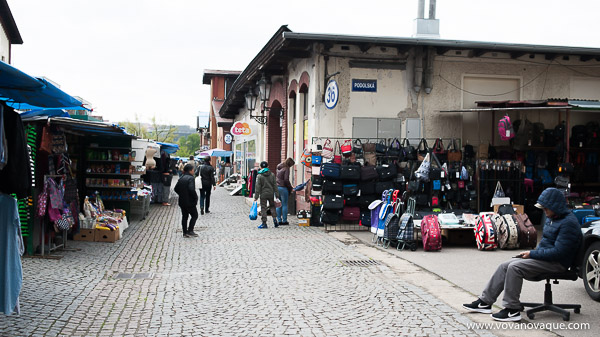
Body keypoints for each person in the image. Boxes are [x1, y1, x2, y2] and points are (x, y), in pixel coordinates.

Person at [463, 188, 582, 322]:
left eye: (546, 208)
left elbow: (559, 252)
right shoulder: (553, 217)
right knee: (505, 265)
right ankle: (485, 302)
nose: (544, 211)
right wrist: (533, 254)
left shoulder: (568, 224)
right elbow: (547, 245)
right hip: (547, 258)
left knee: (515, 267)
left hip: (557, 263)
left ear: (555, 206)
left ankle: (512, 310)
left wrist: (532, 254)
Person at [173, 164, 198, 238]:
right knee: (194, 215)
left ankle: (185, 232)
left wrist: (182, 194)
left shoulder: (181, 177)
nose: (194, 171)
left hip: (182, 201)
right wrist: (195, 197)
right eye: (193, 170)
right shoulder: (191, 178)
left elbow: (176, 189)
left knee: (185, 216)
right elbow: (191, 189)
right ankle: (190, 230)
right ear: (190, 170)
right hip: (190, 201)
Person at [254, 161, 280, 229]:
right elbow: (275, 185)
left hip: (263, 194)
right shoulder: (272, 174)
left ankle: (264, 223)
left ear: (260, 167)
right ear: (268, 166)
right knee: (272, 206)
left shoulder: (259, 176)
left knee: (263, 208)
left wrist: (256, 197)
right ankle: (275, 220)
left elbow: (258, 187)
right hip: (271, 193)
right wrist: (277, 195)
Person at [276, 158, 295, 225]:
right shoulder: (286, 168)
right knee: (284, 204)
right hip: (283, 187)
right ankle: (284, 221)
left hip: (277, 187)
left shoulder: (279, 167)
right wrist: (290, 187)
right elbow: (286, 180)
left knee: (278, 204)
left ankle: (279, 220)